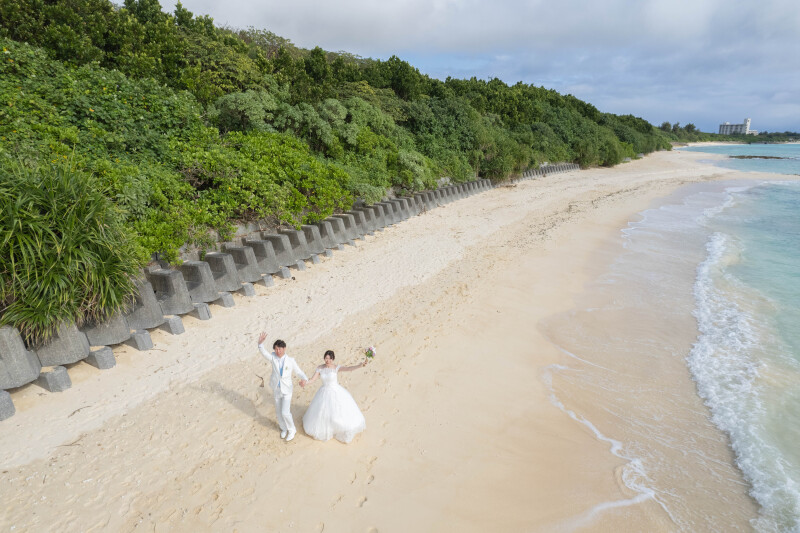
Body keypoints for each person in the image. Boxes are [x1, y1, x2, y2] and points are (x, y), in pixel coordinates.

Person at [302, 350, 368, 443]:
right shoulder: (320, 368)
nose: (327, 360)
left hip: (335, 391)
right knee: (323, 411)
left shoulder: (336, 368)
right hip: (324, 391)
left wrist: (360, 365)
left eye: (329, 358)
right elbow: (313, 379)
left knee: (337, 410)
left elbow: (349, 369)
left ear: (332, 359)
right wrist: (306, 382)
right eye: (326, 358)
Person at [257, 332, 309, 442]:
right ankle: (283, 428)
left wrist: (304, 379)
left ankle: (292, 429)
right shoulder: (273, 357)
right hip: (276, 389)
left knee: (285, 412)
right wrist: (260, 344)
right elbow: (264, 353)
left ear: (284, 348)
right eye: (276, 349)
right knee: (278, 412)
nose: (278, 351)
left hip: (287, 390)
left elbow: (298, 371)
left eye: (280, 349)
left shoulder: (291, 360)